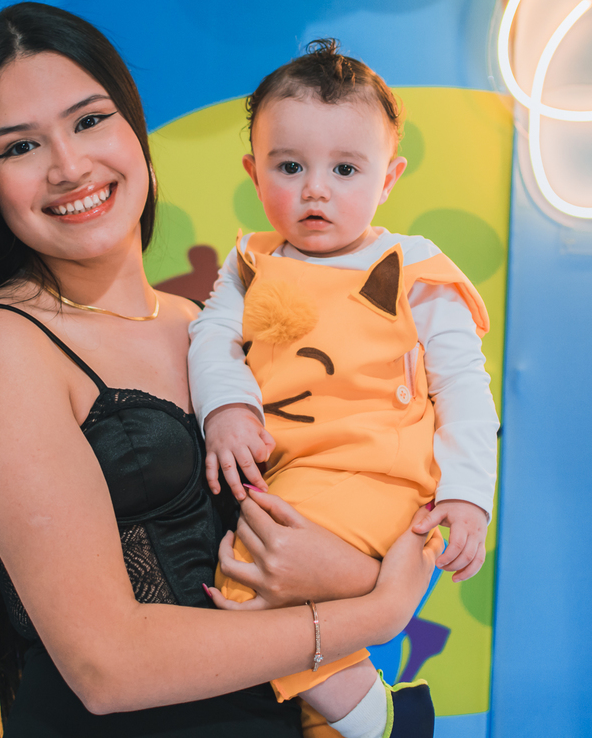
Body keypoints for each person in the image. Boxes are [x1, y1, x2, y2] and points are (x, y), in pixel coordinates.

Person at [0, 3, 445, 738]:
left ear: (134, 129)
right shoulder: (5, 347)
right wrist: (377, 612)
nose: (69, 166)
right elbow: (108, 667)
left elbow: (341, 498)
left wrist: (362, 576)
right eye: (20, 146)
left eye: (90, 121)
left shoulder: (210, 325)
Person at [188, 39, 500, 738]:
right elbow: (212, 339)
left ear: (388, 179)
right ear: (254, 172)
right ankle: (341, 721)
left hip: (379, 477)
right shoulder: (250, 264)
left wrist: (467, 494)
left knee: (246, 577)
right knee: (272, 598)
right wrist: (227, 407)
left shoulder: (412, 268)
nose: (316, 189)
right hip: (294, 475)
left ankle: (380, 720)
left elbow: (463, 387)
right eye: (289, 167)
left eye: (345, 169)